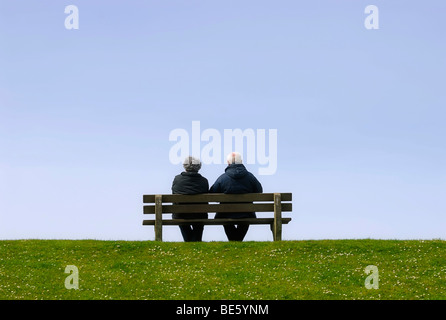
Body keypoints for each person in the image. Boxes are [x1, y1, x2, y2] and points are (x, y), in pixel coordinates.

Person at [209, 152, 263, 241]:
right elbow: (259, 191)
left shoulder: (222, 178)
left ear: (228, 162)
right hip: (247, 213)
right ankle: (237, 241)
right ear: (241, 161)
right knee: (245, 219)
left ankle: (234, 241)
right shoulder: (250, 177)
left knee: (225, 218)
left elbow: (212, 194)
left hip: (225, 214)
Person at [171, 156, 209, 242]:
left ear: (184, 166)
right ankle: (196, 241)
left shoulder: (177, 179)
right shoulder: (204, 181)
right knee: (199, 220)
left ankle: (189, 241)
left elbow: (173, 194)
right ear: (199, 166)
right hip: (200, 215)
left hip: (181, 214)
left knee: (181, 217)